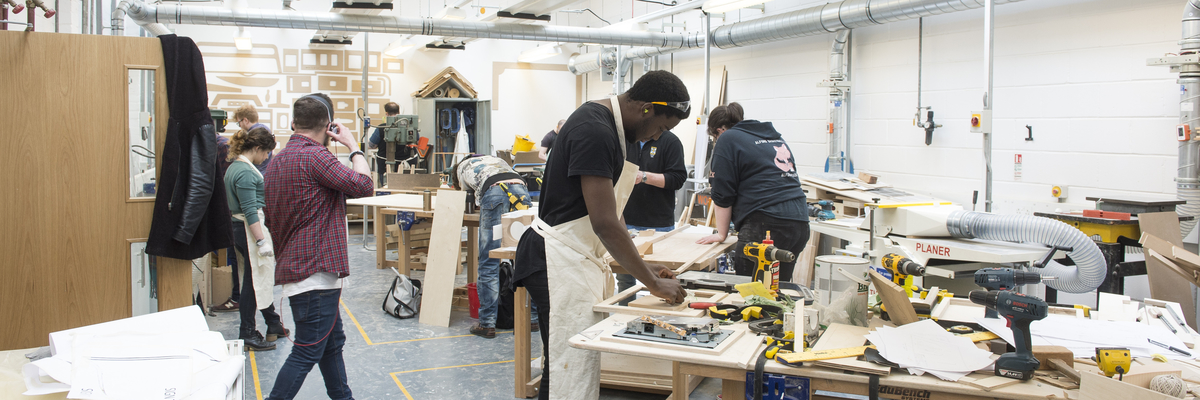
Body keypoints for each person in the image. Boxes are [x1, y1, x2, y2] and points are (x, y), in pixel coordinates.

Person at [514, 70, 690, 400]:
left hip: (578, 256)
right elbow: (604, 223)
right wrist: (651, 285)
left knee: (575, 361)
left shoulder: (623, 134)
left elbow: (614, 212)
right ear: (647, 108)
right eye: (662, 128)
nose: (657, 137)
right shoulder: (594, 129)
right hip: (555, 258)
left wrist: (642, 267)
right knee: (567, 364)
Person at [263, 93, 373, 400]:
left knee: (331, 342)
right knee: (307, 350)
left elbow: (271, 219)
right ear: (328, 126)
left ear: (294, 123)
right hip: (315, 273)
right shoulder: (315, 157)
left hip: (298, 268)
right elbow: (364, 185)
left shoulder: (277, 162)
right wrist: (353, 147)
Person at [697, 102, 810, 283]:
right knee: (778, 289)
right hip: (799, 222)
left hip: (766, 223)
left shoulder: (727, 138)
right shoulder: (771, 137)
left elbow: (722, 192)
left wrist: (721, 234)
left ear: (719, 130)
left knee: (750, 292)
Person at [446, 155, 540, 338]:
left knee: (489, 261)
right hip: (520, 189)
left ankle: (487, 324)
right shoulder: (494, 160)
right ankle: (533, 319)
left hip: (494, 192)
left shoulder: (461, 168)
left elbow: (464, 196)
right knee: (525, 257)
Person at [224, 127, 288, 351]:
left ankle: (273, 324)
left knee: (255, 279)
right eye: (266, 153)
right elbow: (250, 210)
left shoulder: (236, 167)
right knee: (253, 282)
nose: (266, 158)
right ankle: (248, 332)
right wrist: (261, 241)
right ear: (258, 148)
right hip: (249, 229)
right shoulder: (245, 172)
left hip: (240, 228)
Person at [614, 129, 687, 297]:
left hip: (658, 224)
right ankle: (625, 317)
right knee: (625, 278)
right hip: (627, 221)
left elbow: (677, 179)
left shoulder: (670, 142)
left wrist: (644, 176)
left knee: (664, 276)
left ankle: (664, 315)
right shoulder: (627, 141)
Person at [368, 102, 408, 185]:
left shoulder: (381, 128)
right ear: (399, 113)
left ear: (386, 114)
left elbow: (371, 145)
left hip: (385, 166)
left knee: (386, 189)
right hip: (406, 167)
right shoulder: (408, 126)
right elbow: (416, 141)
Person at [233, 104, 274, 173]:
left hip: (256, 172)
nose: (239, 126)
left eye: (239, 123)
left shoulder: (253, 135)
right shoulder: (265, 130)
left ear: (245, 120)